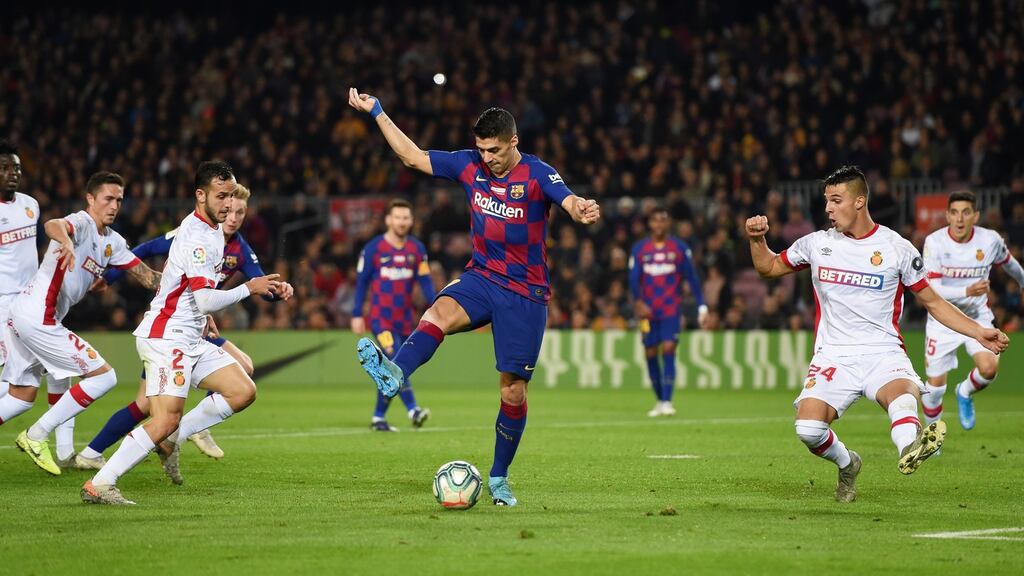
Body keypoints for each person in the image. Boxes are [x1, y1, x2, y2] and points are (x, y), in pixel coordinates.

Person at [347, 89, 600, 506]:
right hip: (482, 276)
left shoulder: (537, 174)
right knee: (438, 311)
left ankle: (499, 476)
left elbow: (568, 199)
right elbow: (413, 156)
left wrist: (580, 208)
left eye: (495, 150)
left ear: (514, 142)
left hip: (525, 293)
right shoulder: (469, 165)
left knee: (512, 392)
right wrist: (376, 112)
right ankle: (395, 374)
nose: (488, 158)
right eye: (482, 149)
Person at [745, 165, 1009, 502]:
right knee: (808, 430)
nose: (827, 208)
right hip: (833, 355)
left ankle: (910, 446)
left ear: (859, 201)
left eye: (835, 200)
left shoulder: (896, 248)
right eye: (826, 201)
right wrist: (757, 240)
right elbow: (768, 267)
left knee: (900, 395)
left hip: (882, 351)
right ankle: (847, 463)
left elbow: (932, 301)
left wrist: (979, 331)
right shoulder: (816, 244)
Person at [81, 161, 283, 505]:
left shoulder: (214, 231)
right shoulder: (196, 238)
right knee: (162, 419)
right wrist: (249, 288)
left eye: (232, 196)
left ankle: (175, 437)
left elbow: (194, 295)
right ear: (200, 195)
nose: (228, 204)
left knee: (242, 390)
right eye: (221, 196)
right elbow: (204, 299)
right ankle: (101, 482)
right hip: (167, 337)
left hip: (190, 335)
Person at [0, 172, 162, 476]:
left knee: (23, 395)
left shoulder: (113, 242)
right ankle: (36, 435)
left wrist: (187, 285)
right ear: (91, 199)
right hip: (38, 318)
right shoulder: (82, 223)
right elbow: (53, 225)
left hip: (27, 316)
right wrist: (66, 242)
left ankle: (64, 452)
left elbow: (148, 277)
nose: (114, 206)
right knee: (104, 378)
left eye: (119, 200)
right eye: (108, 199)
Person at [0, 140, 79, 468]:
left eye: (16, 168)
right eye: (5, 168)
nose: (12, 174)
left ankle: (64, 451)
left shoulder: (30, 205)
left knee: (60, 370)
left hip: (32, 301)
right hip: (4, 306)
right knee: (20, 386)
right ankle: (52, 445)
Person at [920, 191, 1024, 430]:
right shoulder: (935, 242)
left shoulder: (990, 240)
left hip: (977, 316)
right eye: (954, 213)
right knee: (934, 390)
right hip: (942, 320)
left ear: (975, 216)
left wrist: (1023, 281)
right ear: (947, 215)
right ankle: (932, 439)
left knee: (989, 368)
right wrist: (967, 290)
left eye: (966, 213)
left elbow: (1008, 262)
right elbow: (931, 289)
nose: (959, 219)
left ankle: (964, 391)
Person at [351, 198, 436, 432]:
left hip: (405, 321)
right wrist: (357, 313)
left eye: (406, 217)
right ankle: (412, 410)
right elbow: (361, 283)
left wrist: (438, 305)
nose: (402, 221)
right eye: (397, 217)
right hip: (381, 319)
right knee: (392, 360)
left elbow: (426, 282)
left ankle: (379, 417)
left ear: (411, 221)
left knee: (392, 365)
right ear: (389, 220)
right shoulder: (373, 249)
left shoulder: (417, 250)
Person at [629, 207, 707, 417]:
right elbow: (633, 280)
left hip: (671, 308)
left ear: (668, 223)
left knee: (669, 348)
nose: (659, 224)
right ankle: (659, 400)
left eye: (663, 220)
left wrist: (702, 305)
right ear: (650, 224)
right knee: (650, 352)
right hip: (647, 311)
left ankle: (667, 401)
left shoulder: (680, 248)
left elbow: (692, 277)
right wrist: (638, 303)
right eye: (655, 220)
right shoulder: (640, 249)